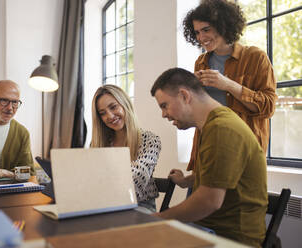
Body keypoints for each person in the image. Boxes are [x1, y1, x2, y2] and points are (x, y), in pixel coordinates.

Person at [151, 68, 267, 248]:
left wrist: (159, 218)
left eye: (164, 105)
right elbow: (220, 174)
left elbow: (209, 201)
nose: (163, 114)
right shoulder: (213, 125)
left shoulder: (222, 128)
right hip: (209, 230)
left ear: (184, 95)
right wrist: (186, 180)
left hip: (230, 240)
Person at [183, 0, 276, 172]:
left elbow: (268, 107)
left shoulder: (256, 57)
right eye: (196, 32)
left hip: (243, 155)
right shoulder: (201, 62)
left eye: (206, 30)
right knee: (200, 198)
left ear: (223, 25)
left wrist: (228, 85)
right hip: (208, 151)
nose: (201, 38)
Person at [91, 85, 161, 212]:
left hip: (140, 207)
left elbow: (137, 179)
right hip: (104, 205)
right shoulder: (98, 143)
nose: (110, 116)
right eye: (102, 113)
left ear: (125, 104)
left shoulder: (150, 140)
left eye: (113, 107)